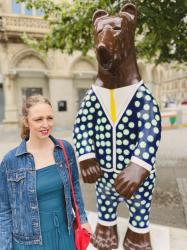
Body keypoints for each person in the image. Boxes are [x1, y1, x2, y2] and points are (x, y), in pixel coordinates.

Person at [0, 95, 92, 250]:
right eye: (38, 119)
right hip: (28, 242)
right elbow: (4, 208)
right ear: (26, 122)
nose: (46, 124)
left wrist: (82, 219)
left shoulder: (65, 149)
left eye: (49, 118)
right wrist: (4, 246)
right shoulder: (11, 160)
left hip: (65, 235)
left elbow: (74, 185)